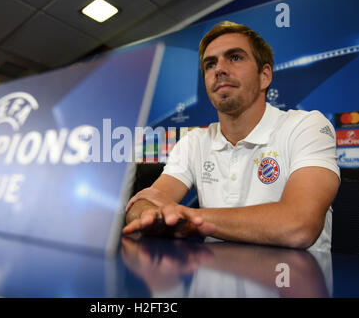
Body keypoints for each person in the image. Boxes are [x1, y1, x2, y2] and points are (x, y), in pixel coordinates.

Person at [123, 21, 340, 252]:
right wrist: (149, 215)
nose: (219, 69)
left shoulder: (306, 126)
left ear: (265, 76)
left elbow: (298, 225)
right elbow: (143, 205)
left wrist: (190, 217)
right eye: (210, 64)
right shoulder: (193, 142)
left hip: (293, 282)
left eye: (235, 57)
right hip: (212, 282)